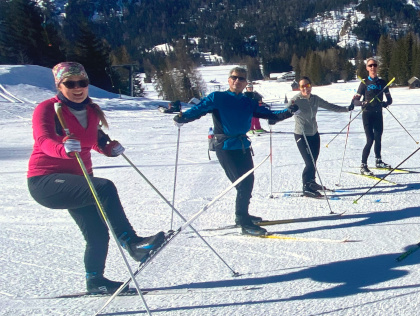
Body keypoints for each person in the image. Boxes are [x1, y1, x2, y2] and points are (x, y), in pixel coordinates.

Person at [27, 62, 166, 294]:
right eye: (70, 83)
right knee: (104, 187)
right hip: (46, 180)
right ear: (59, 86)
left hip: (77, 181)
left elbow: (97, 140)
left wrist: (109, 148)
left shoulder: (91, 110)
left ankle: (95, 280)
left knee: (98, 233)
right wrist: (63, 150)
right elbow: (43, 140)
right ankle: (132, 243)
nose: (77, 87)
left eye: (82, 82)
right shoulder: (47, 109)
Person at [173, 67, 297, 236]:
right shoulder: (218, 97)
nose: (237, 81)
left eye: (241, 79)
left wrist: (289, 112)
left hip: (243, 146)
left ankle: (243, 215)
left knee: (248, 181)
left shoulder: (248, 101)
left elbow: (269, 114)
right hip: (225, 146)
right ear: (229, 80)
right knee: (242, 183)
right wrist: (183, 117)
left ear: (246, 83)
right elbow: (199, 109)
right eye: (234, 78)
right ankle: (243, 221)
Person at [288, 76, 351, 197]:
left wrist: (347, 109)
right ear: (299, 88)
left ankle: (311, 182)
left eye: (307, 85)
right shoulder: (295, 100)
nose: (305, 88)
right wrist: (287, 112)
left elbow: (330, 106)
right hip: (301, 134)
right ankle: (306, 187)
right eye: (302, 86)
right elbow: (284, 111)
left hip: (314, 134)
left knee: (314, 160)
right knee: (309, 162)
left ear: (311, 86)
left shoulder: (315, 99)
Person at [351, 57, 393, 176]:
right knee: (370, 139)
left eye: (374, 65)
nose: (373, 67)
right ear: (367, 68)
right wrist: (362, 103)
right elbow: (356, 101)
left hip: (378, 113)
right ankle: (363, 166)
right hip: (367, 114)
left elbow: (389, 99)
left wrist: (386, 103)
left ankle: (378, 160)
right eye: (370, 66)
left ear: (377, 67)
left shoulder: (383, 83)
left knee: (378, 136)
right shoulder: (364, 83)